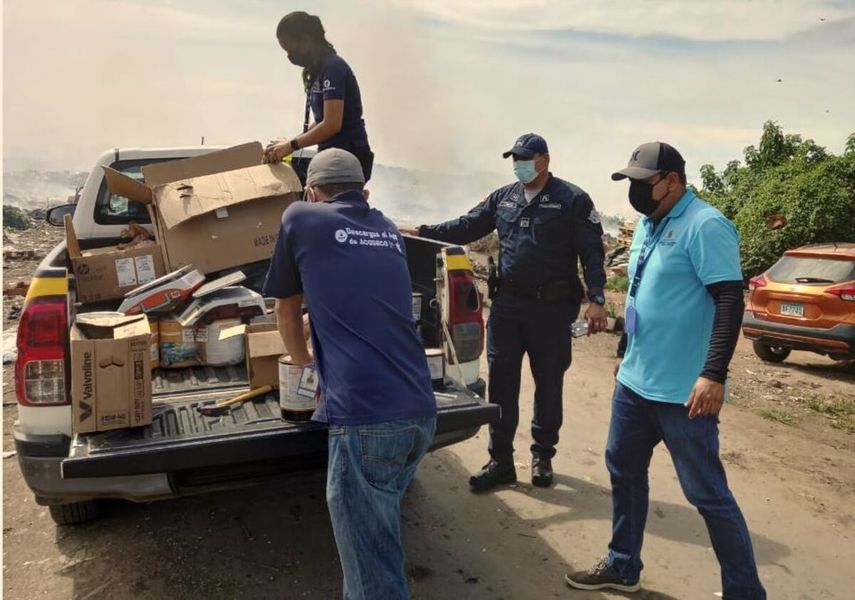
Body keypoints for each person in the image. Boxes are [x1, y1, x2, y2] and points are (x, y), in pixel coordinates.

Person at [565, 142, 765, 598]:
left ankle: (745, 592)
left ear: (672, 180)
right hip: (636, 381)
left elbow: (730, 301)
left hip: (683, 392)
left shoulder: (706, 225)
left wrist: (713, 374)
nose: (634, 190)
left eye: (642, 182)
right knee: (625, 471)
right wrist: (624, 345)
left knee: (707, 495)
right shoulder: (649, 225)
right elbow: (638, 292)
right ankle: (622, 565)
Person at [262, 149, 436, 599]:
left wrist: (303, 366)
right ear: (365, 192)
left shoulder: (300, 216)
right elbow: (358, 296)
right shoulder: (387, 231)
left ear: (312, 192)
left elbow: (284, 308)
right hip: (419, 411)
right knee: (378, 545)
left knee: (371, 576)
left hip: (367, 420)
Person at [401, 133, 608, 491]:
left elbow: (591, 251)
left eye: (525, 158)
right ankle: (501, 460)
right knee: (502, 384)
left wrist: (597, 298)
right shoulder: (504, 198)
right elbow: (467, 227)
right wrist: (422, 231)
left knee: (548, 384)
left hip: (552, 309)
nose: (518, 165)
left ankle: (543, 456)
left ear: (544, 159)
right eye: (514, 158)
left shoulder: (572, 199)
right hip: (509, 307)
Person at [263, 11, 374, 182]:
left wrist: (291, 146)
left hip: (347, 158)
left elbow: (332, 124)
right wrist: (290, 143)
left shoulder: (333, 68)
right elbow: (322, 119)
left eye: (290, 49)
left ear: (306, 40)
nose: (289, 56)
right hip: (331, 155)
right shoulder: (319, 69)